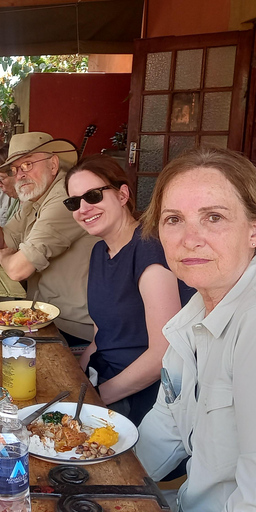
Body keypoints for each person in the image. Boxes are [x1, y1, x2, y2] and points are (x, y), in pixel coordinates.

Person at [135, 146, 256, 511]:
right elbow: (164, 429)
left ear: (253, 231)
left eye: (214, 217)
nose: (190, 238)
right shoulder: (196, 311)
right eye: (174, 219)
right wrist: (95, 472)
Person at [64, 155, 193, 425]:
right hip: (105, 378)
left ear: (123, 195)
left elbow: (163, 354)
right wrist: (74, 379)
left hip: (143, 398)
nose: (84, 208)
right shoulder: (101, 250)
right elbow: (102, 334)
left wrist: (97, 397)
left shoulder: (149, 248)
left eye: (93, 195)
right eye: (74, 202)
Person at [0, 132, 98, 345]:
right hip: (41, 315)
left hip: (70, 327)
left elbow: (17, 269)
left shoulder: (65, 197)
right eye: (15, 169)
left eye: (27, 165)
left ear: (53, 164)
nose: (19, 175)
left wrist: (8, 258)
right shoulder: (35, 197)